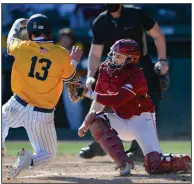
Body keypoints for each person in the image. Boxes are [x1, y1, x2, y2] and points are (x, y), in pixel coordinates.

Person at [77, 39, 190, 176]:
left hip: (142, 120)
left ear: (130, 59)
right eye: (113, 54)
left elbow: (117, 99)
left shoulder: (136, 75)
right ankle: (124, 163)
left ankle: (186, 161)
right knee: (96, 120)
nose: (113, 58)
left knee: (154, 166)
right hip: (121, 120)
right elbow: (99, 101)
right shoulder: (104, 69)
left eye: (118, 56)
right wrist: (86, 121)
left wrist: (88, 93)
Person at [79, 4, 169, 160]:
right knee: (101, 101)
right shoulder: (100, 21)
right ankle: (100, 144)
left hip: (139, 66)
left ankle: (139, 148)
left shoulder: (137, 13)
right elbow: (95, 54)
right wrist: (90, 76)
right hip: (113, 69)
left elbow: (158, 35)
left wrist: (162, 60)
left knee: (144, 104)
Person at [2, 14, 82, 179]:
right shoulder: (61, 53)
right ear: (49, 33)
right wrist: (73, 61)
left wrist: (17, 25)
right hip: (42, 115)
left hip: (17, 105)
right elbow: (69, 78)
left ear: (30, 32)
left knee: (2, 120)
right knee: (47, 155)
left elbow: (9, 40)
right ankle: (28, 161)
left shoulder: (22, 46)